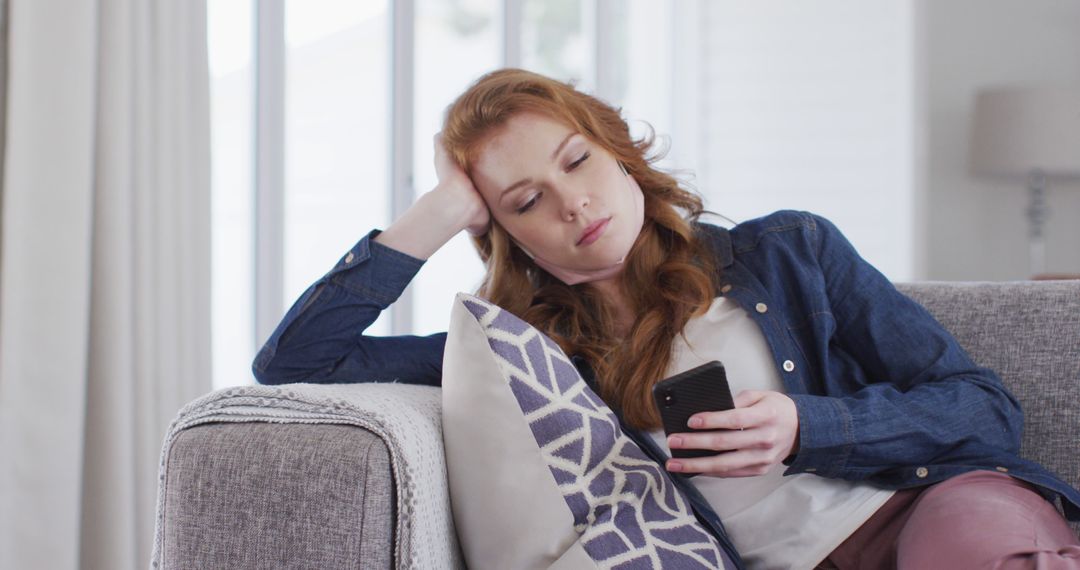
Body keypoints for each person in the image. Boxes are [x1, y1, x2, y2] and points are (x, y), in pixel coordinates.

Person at [253, 68, 1080, 569]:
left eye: (577, 159)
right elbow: (297, 362)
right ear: (507, 236)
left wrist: (808, 426)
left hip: (929, 509)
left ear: (620, 154)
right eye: (526, 200)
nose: (572, 201)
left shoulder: (788, 252)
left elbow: (986, 408)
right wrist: (434, 215)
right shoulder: (530, 363)